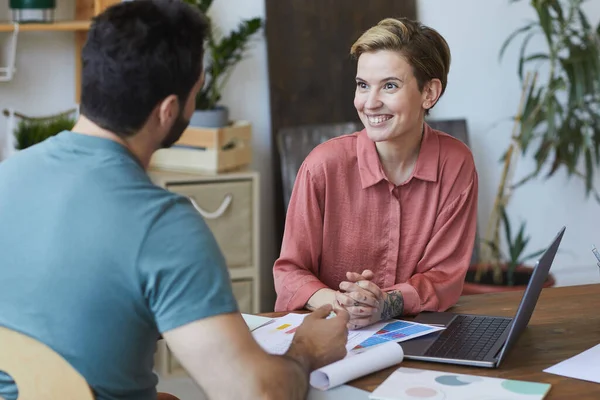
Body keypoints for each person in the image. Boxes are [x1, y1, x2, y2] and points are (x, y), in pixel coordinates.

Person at [0, 1, 349, 399]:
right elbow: (257, 394)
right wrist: (308, 348)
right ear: (168, 110)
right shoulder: (162, 225)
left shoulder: (8, 174)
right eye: (194, 93)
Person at [273, 17, 479, 330]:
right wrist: (344, 303)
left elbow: (444, 278)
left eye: (390, 86)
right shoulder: (323, 166)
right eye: (363, 85)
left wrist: (385, 303)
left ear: (429, 93)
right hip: (331, 336)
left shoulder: (455, 163)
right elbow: (290, 273)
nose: (370, 103)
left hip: (421, 336)